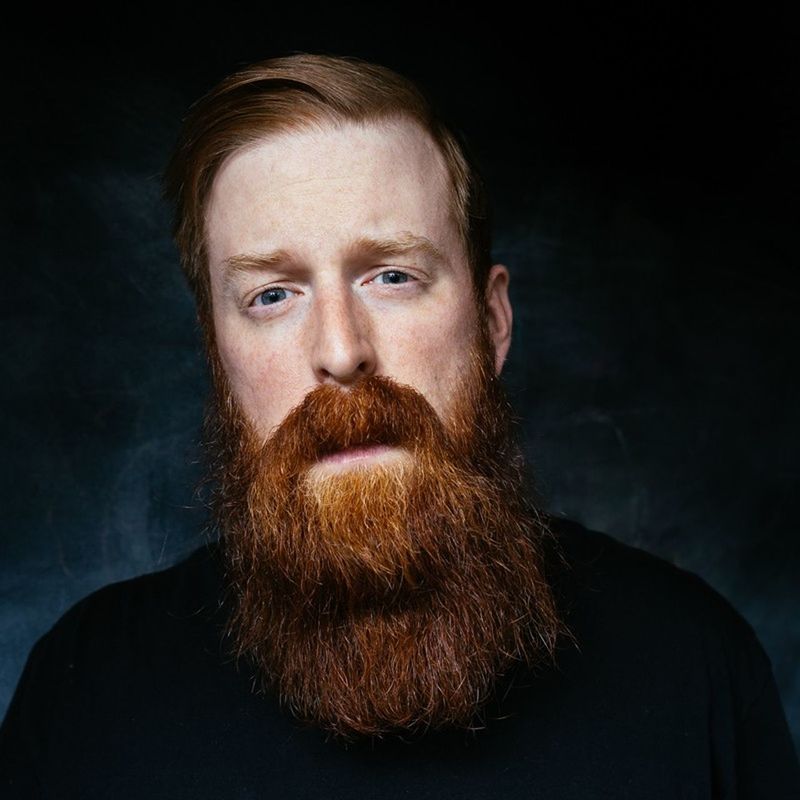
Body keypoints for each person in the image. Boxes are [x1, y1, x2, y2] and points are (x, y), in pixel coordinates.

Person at [1, 52, 797, 799]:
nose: (342, 351)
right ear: (218, 355)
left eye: (391, 276)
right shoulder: (86, 693)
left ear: (491, 324)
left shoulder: (693, 666)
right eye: (273, 295)